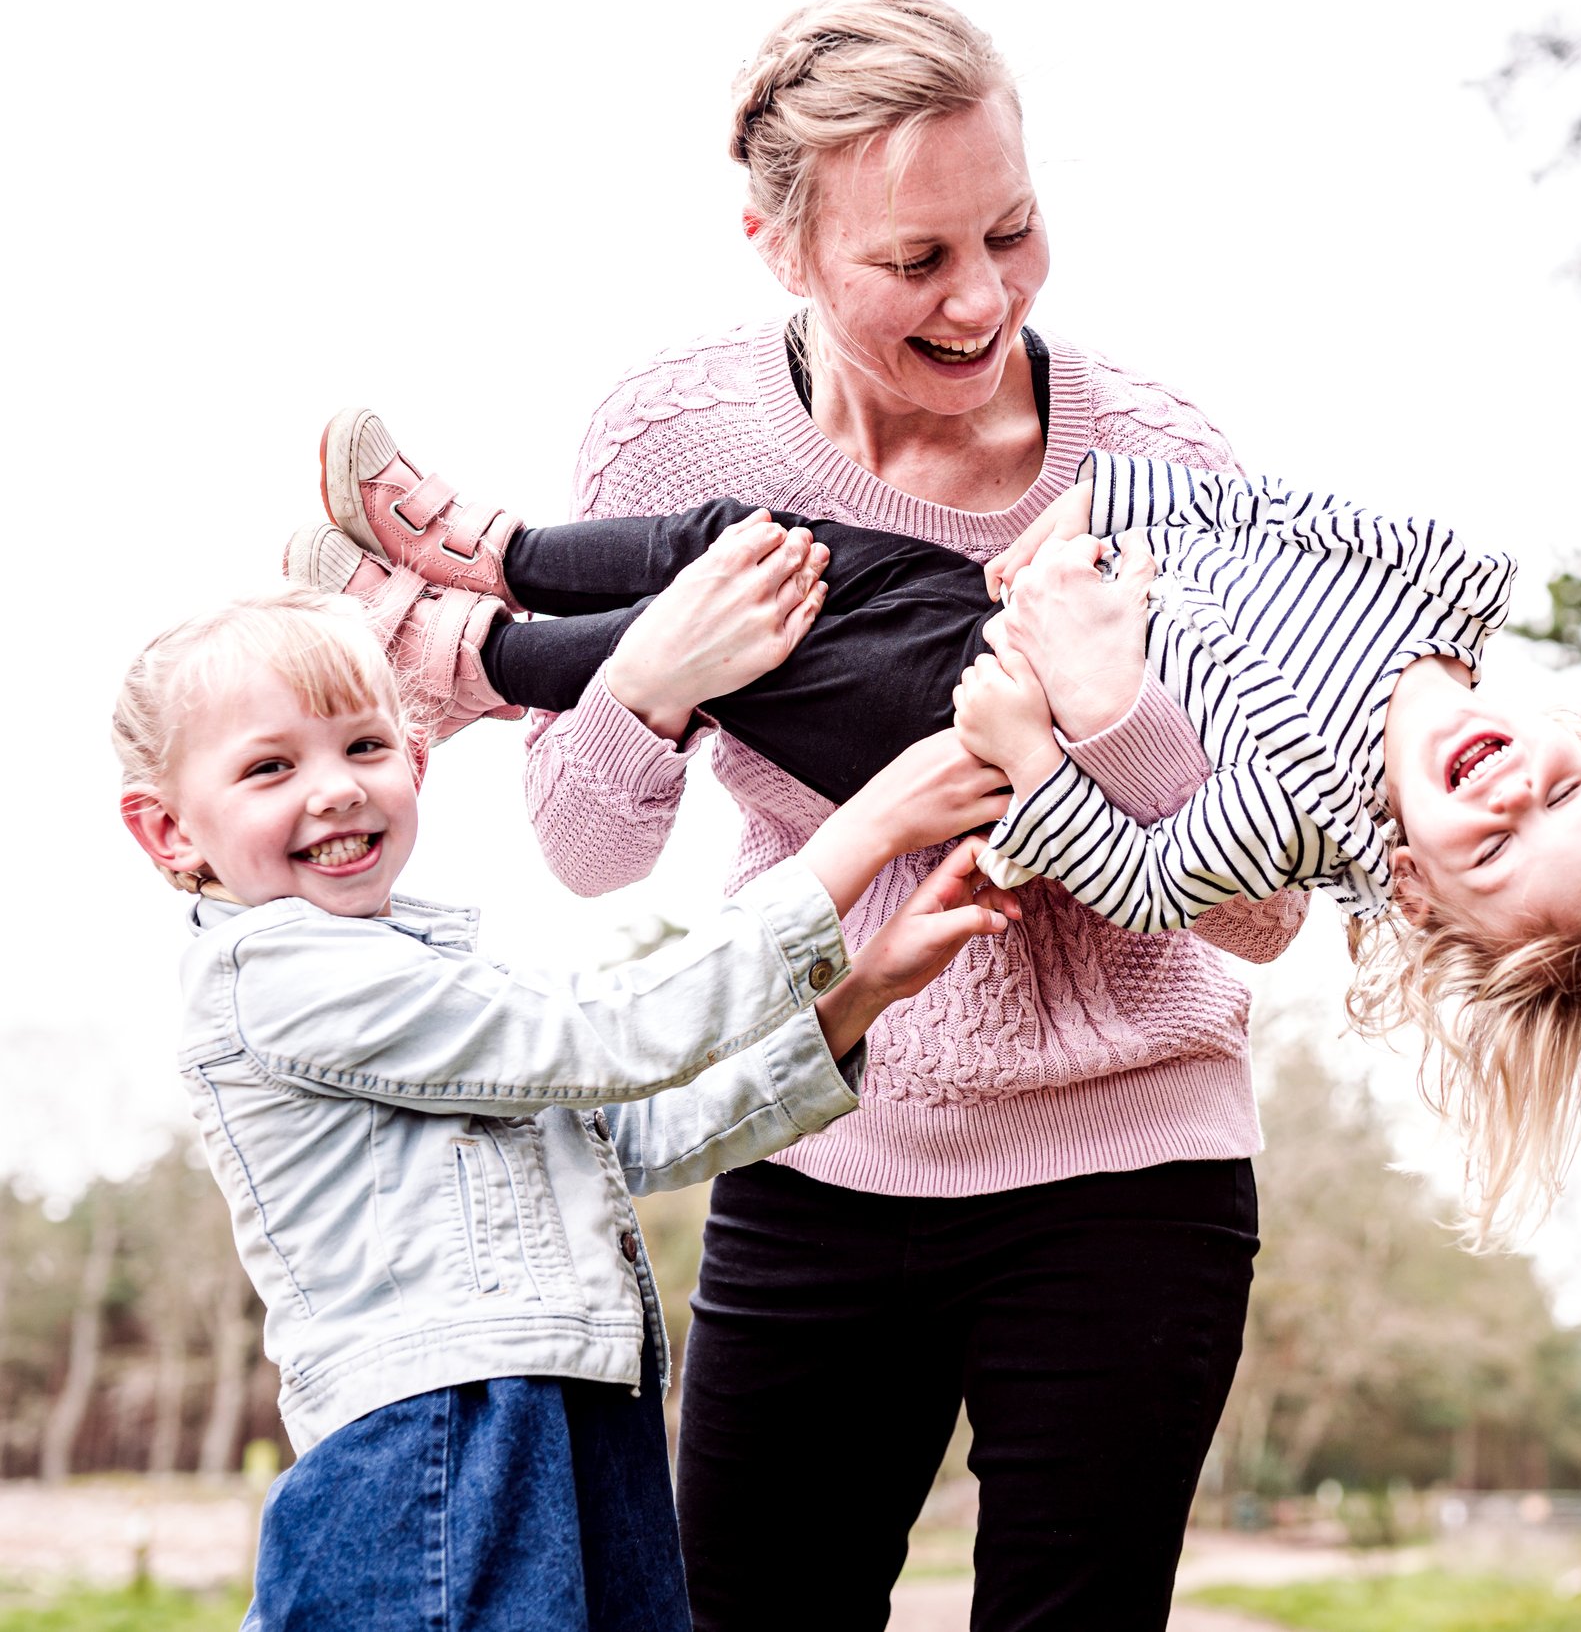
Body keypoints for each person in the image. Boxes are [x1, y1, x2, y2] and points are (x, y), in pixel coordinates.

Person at [439, 0, 1298, 1630]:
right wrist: (656, 673)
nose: (983, 296)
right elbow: (586, 848)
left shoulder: (1161, 462)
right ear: (775, 241)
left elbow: (1272, 906)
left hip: (1133, 1168)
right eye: (916, 261)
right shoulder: (668, 434)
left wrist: (1103, 737)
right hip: (820, 1135)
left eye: (1016, 231)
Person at [299, 419, 1581, 1238]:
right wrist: (1092, 514)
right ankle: (493, 550)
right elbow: (1262, 512)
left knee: (750, 646)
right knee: (749, 549)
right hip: (1023, 585)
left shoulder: (1302, 813)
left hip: (958, 699)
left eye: (1499, 848)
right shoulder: (1449, 580)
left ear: (1425, 895)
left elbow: (1143, 873)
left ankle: (454, 657)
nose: (1505, 793)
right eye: (1557, 790)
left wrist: (1043, 743)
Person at [113, 589, 1019, 1630]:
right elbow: (603, 1031)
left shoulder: (437, 972)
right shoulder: (268, 971)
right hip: (441, 1439)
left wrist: (862, 990)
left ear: (414, 758)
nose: (333, 790)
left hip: (585, 1422)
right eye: (270, 766)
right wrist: (865, 831)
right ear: (168, 826)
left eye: (362, 745)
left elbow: (636, 1127)